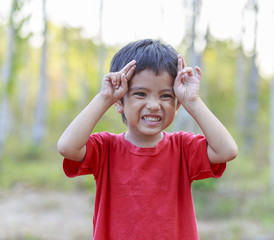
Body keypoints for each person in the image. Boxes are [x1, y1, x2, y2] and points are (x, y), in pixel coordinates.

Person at [57, 39, 238, 240]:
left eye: (165, 96)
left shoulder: (183, 148)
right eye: (141, 94)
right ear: (120, 102)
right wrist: (104, 98)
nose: (153, 105)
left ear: (177, 105)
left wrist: (192, 101)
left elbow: (227, 151)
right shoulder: (105, 148)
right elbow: (67, 146)